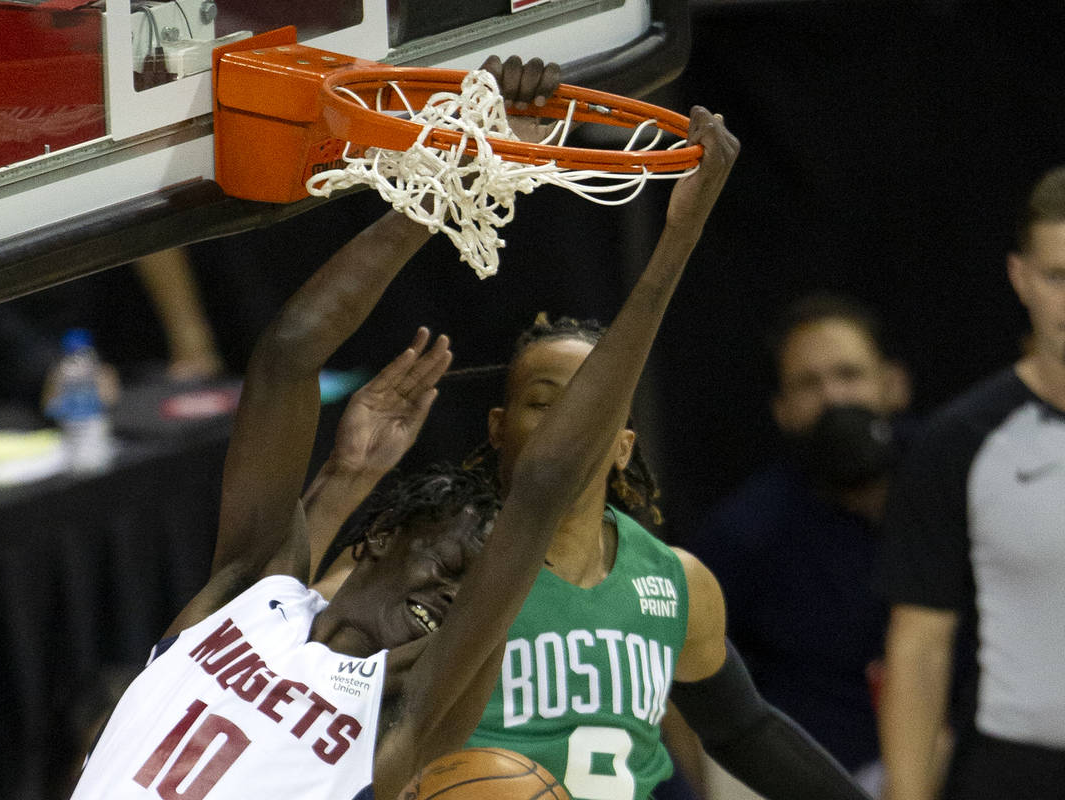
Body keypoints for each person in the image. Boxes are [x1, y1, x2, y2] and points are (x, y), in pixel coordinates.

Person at [70, 60, 742, 800]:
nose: (452, 596)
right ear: (381, 541)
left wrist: (676, 245)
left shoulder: (401, 726)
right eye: (451, 561)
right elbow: (291, 352)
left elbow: (547, 484)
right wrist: (457, 163)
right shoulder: (248, 596)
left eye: (467, 596)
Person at [310, 123, 869, 800]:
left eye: (593, 409)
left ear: (625, 444)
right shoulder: (435, 559)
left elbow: (744, 730)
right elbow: (275, 639)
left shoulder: (676, 585)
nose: (569, 430)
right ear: (498, 428)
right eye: (544, 403)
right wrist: (345, 479)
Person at [876, 165, 1065, 800]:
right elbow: (920, 648)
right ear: (1020, 278)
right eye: (1057, 277)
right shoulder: (961, 442)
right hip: (1014, 775)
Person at [687, 293, 912, 796]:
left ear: (893, 384)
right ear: (782, 410)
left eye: (849, 375)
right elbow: (667, 662)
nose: (833, 399)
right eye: (809, 384)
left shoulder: (956, 489)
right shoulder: (745, 533)